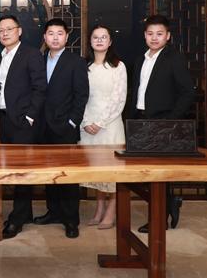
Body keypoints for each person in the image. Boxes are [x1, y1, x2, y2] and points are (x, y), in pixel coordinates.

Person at [130, 14, 195, 233]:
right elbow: (137, 91)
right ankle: (171, 203)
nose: (154, 38)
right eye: (150, 34)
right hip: (141, 121)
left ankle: (159, 219)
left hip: (162, 122)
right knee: (146, 174)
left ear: (168, 36)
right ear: (145, 35)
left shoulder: (174, 58)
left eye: (159, 34)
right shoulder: (140, 59)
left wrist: (170, 120)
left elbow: (187, 92)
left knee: (157, 175)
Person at [33, 18, 89, 239]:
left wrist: (72, 122)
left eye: (59, 33)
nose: (55, 38)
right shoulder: (39, 60)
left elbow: (81, 95)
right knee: (50, 175)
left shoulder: (76, 62)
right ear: (44, 37)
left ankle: (71, 220)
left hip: (65, 127)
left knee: (68, 176)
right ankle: (53, 212)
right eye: (50, 33)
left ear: (66, 37)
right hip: (42, 127)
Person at [0, 15, 47, 240]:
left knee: (21, 170)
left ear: (20, 31)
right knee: (14, 169)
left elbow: (40, 88)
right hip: (6, 120)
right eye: (1, 30)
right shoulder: (1, 56)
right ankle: (25, 213)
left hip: (24, 122)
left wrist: (30, 117)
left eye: (9, 29)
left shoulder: (31, 54)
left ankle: (17, 219)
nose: (5, 33)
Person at [79, 25, 127, 230]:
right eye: (95, 37)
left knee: (112, 171)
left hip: (110, 126)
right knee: (96, 171)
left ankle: (111, 211)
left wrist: (99, 123)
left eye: (104, 37)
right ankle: (99, 209)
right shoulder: (84, 66)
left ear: (110, 41)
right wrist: (85, 122)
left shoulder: (118, 66)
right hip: (87, 126)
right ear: (90, 41)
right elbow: (80, 97)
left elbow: (119, 99)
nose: (99, 40)